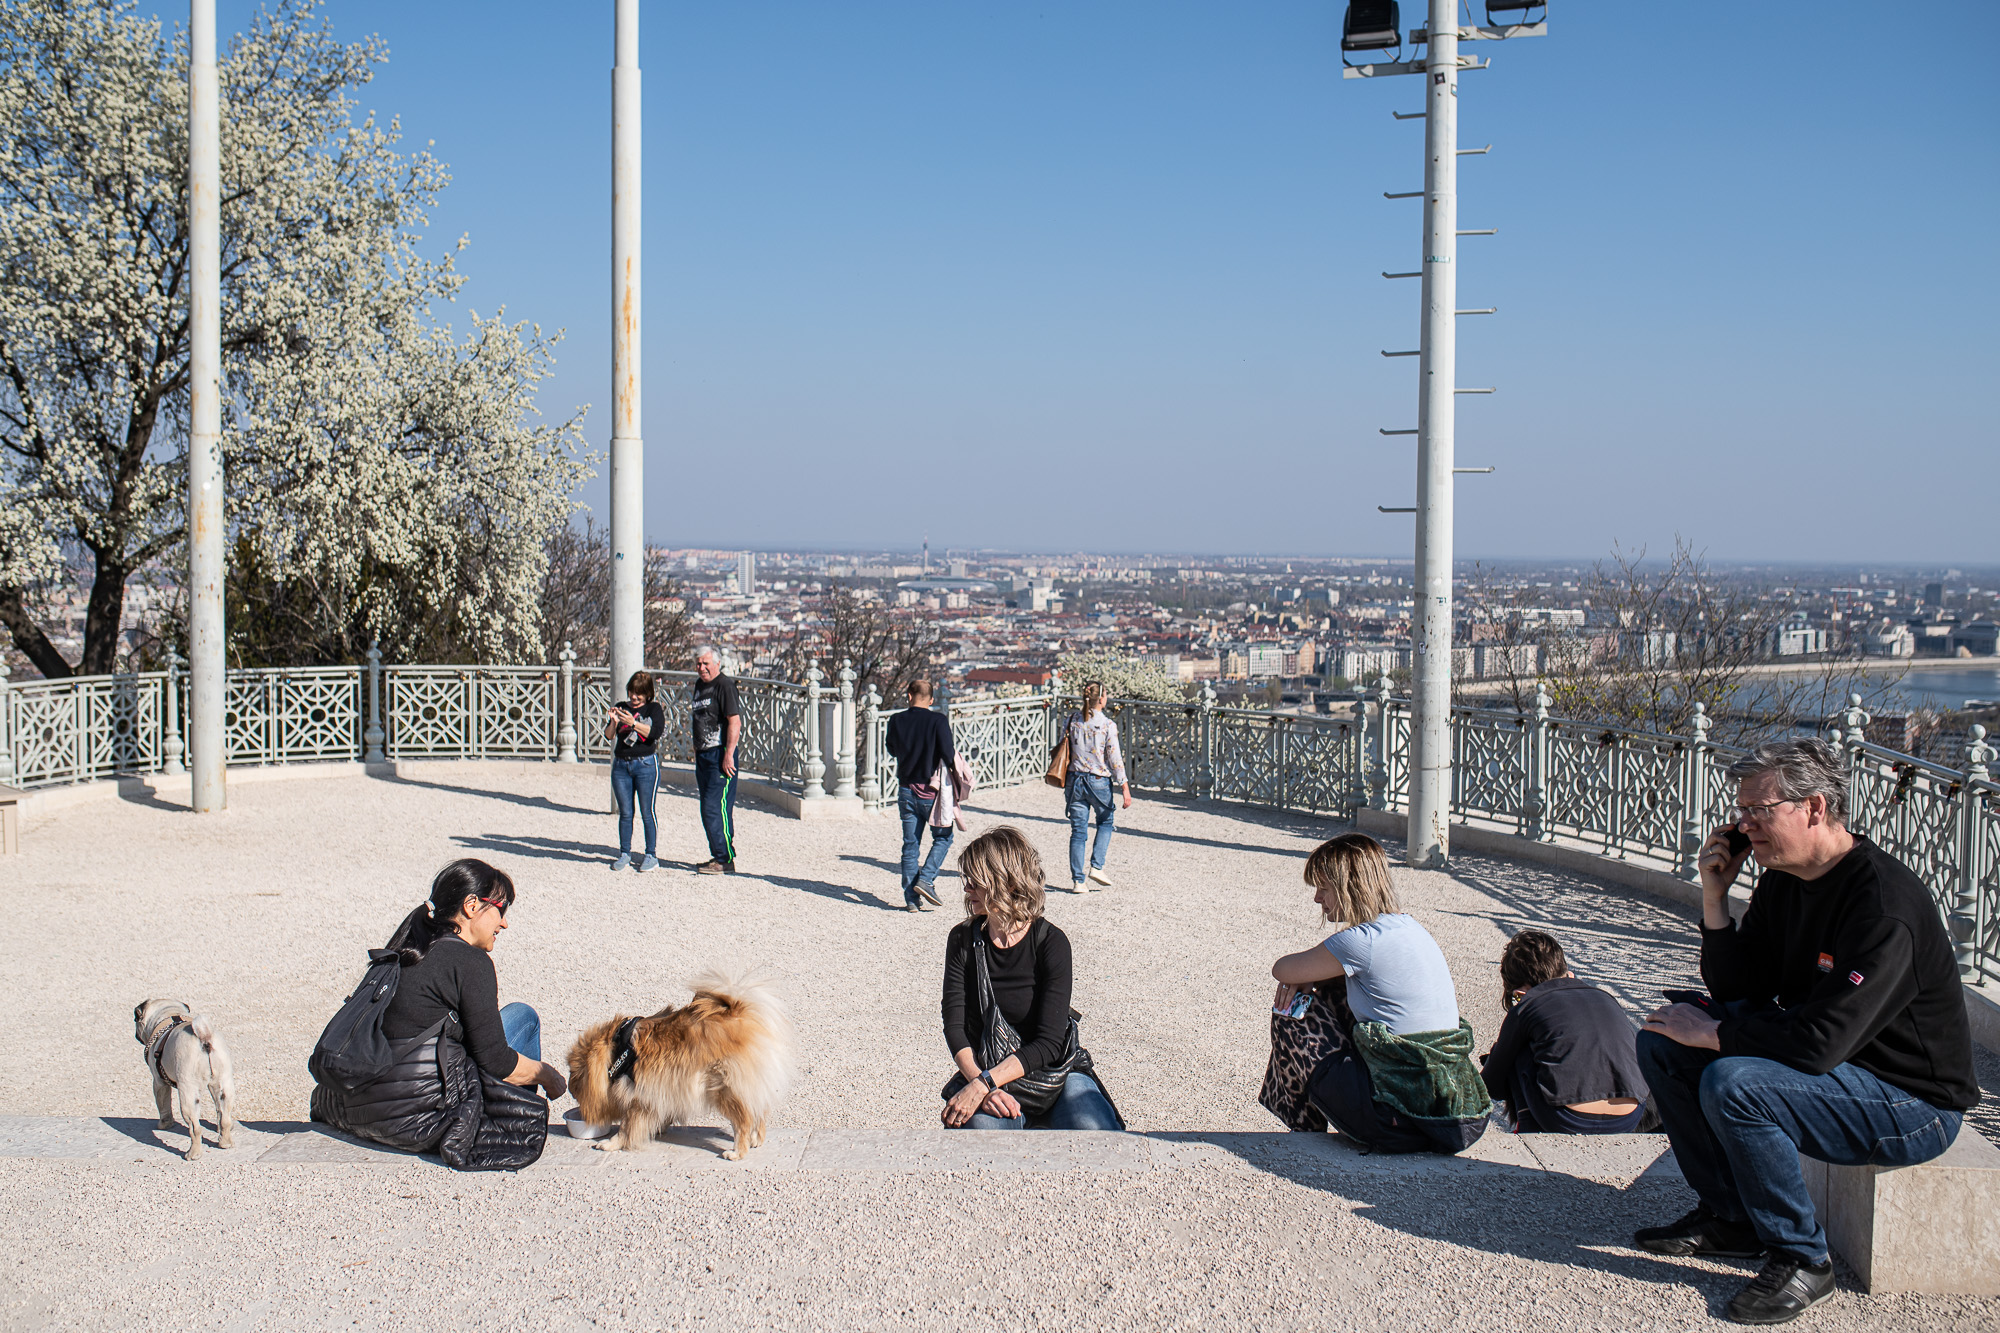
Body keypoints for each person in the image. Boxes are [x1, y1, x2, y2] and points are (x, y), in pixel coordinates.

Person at [1633, 739, 1978, 1326]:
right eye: (1741, 812)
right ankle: (1732, 1219)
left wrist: (1718, 1036)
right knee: (1664, 1041)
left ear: (1814, 807)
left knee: (1734, 1083)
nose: (1744, 826)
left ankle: (1802, 1258)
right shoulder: (1785, 879)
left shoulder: (1882, 905)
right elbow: (1739, 986)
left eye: (1759, 811)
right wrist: (1715, 898)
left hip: (1910, 1101)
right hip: (1836, 1066)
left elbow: (1820, 1043)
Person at [309, 859, 565, 1169]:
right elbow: (498, 1063)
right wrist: (547, 1075)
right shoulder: (470, 961)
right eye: (501, 910)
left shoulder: (404, 949)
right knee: (522, 1018)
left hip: (362, 1109)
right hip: (425, 1116)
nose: (504, 924)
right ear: (472, 905)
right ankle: (510, 1123)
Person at [1266, 833, 1488, 1154]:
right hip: (1455, 1115)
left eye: (1324, 887)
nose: (1317, 898)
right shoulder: (1410, 928)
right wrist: (1317, 979)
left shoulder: (1359, 941)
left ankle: (1304, 1128)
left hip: (1399, 1120)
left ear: (1349, 886)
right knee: (1333, 985)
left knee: (1294, 1011)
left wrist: (1307, 982)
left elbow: (1282, 969)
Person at [940, 826, 1121, 1131]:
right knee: (983, 1137)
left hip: (1055, 1073)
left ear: (1006, 882)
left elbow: (1050, 1042)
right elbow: (954, 1027)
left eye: (975, 880)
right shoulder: (962, 940)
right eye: (965, 879)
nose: (967, 888)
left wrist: (983, 1084)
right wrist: (981, 1084)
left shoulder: (1051, 943)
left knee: (1096, 1131)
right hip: (990, 1070)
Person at [1479, 930, 1647, 1134]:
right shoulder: (1605, 998)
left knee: (1520, 1050)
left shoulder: (1528, 1006)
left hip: (1568, 1118)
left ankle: (1528, 1133)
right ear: (1568, 974)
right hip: (1630, 1115)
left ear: (1520, 994)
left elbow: (1491, 1084)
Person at [884, 679, 957, 911]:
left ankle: (911, 899)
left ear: (909, 695)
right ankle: (926, 879)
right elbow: (948, 754)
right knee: (943, 837)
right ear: (932, 699)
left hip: (906, 788)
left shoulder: (896, 720)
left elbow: (891, 749)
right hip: (931, 791)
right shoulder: (938, 721)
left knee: (910, 844)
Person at [1063, 682, 1131, 893]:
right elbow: (1115, 758)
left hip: (1074, 780)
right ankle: (1096, 867)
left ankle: (1078, 881)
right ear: (1101, 699)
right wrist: (1124, 787)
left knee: (1078, 831)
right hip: (1098, 781)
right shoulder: (1107, 725)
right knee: (1105, 821)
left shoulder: (1071, 721)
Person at [605, 670, 665, 872]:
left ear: (647, 694)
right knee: (626, 812)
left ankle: (651, 854)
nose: (634, 697)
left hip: (645, 763)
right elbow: (609, 735)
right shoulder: (622, 707)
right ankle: (624, 853)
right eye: (631, 692)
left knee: (647, 811)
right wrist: (614, 721)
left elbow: (655, 733)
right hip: (622, 764)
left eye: (638, 693)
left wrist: (633, 723)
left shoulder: (653, 709)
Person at [689, 646, 742, 874]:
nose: (702, 668)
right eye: (699, 664)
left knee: (714, 807)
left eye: (706, 664)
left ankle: (724, 858)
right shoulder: (700, 685)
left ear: (717, 664)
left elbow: (734, 721)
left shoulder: (724, 685)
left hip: (720, 755)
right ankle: (719, 853)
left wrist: (729, 754)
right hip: (703, 755)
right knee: (710, 808)